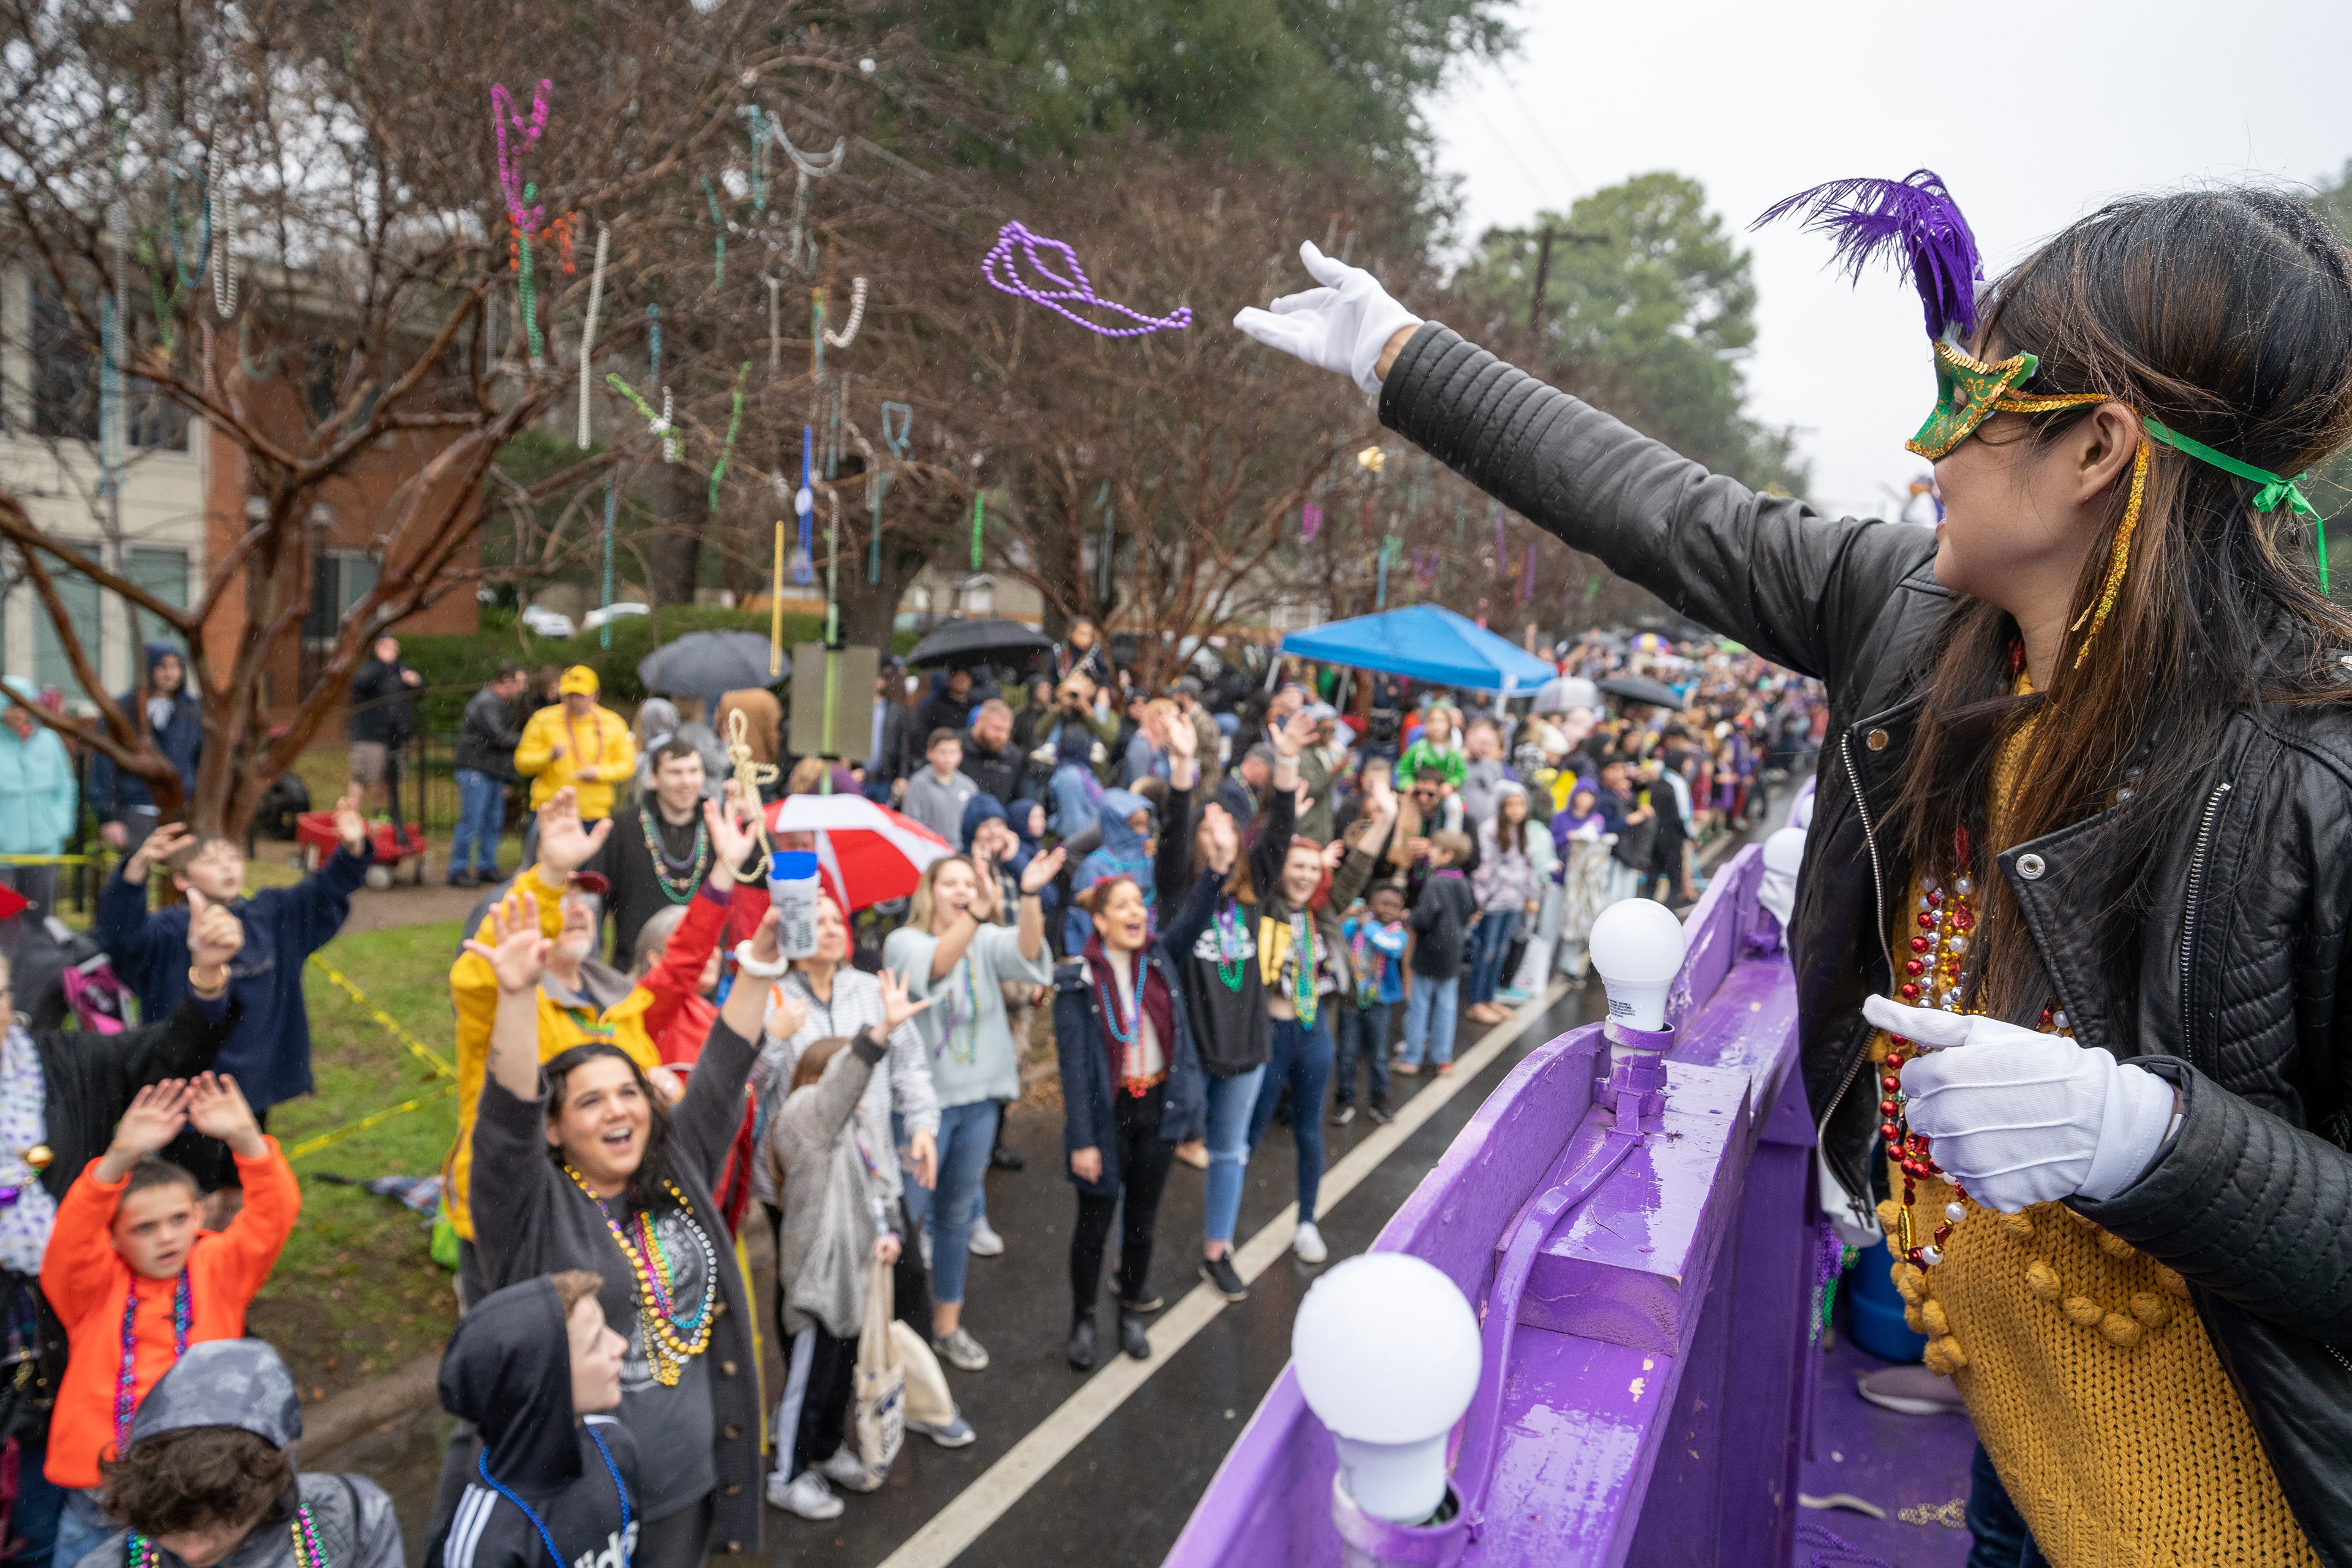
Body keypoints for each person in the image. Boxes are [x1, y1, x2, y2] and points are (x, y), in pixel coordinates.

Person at [1240, 190, 2352, 1564]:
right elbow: (1667, 511)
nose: (1925, 446)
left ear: (2093, 449)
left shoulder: (2314, 787)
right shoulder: (1918, 622)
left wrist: (2156, 1142)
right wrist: (1401, 354)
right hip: (2016, 1463)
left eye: (1967, 398)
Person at [462, 872, 780, 1566]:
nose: (618, 1111)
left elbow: (724, 1067)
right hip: (581, 1505)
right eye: (590, 1101)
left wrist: (757, 965)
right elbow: (506, 1120)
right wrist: (515, 997)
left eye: (629, 1092)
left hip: (688, 1481)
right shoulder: (529, 1210)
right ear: (553, 1129)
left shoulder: (676, 1165)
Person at [0, 905, 243, 1568]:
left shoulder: (58, 1063)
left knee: (44, 1520)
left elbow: (168, 1054)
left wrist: (207, 975)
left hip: (60, 1333)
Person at [444, 789, 733, 1282]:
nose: (580, 910)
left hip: (613, 1213)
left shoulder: (621, 1001)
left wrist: (724, 873)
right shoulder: (510, 1002)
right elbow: (478, 978)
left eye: (587, 899)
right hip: (525, 1221)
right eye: (565, 899)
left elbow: (683, 958)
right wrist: (551, 873)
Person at [41, 1071, 299, 1568]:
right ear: (113, 1236)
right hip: (103, 1499)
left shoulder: (219, 1269)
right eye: (144, 1227)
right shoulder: (91, 1287)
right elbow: (71, 1239)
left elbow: (273, 1214)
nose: (165, 1237)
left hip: (200, 1487)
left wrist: (246, 1139)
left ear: (200, 1215)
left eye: (178, 1219)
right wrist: (120, 1157)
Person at [753, 895, 964, 1442]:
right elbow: (744, 1089)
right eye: (816, 921)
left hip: (873, 1174)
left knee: (907, 1279)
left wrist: (922, 1126)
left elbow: (910, 1068)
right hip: (798, 1189)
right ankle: (804, 1413)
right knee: (807, 1301)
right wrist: (774, 1038)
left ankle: (916, 1398)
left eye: (836, 920)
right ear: (793, 933)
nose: (831, 929)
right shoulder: (771, 999)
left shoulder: (873, 991)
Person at [97, 795, 374, 1190]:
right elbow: (120, 938)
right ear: (182, 880)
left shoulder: (272, 916)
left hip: (253, 1080)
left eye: (232, 858)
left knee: (241, 1186)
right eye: (211, 862)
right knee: (193, 1193)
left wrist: (352, 846)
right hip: (187, 1087)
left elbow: (325, 892)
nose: (227, 867)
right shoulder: (167, 932)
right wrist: (136, 869)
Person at [881, 843, 1063, 1371]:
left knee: (955, 1217)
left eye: (969, 882)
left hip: (980, 1104)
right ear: (930, 893)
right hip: (922, 1114)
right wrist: (979, 913)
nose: (962, 891)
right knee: (902, 1223)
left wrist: (1029, 895)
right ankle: (890, 1337)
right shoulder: (904, 942)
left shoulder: (984, 938)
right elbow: (937, 965)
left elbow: (1028, 953)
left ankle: (947, 1327)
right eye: (951, 883)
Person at [1152, 707, 1308, 1301]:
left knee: (1229, 1154)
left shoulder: (1254, 886)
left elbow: (1282, 826)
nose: (1218, 822)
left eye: (1228, 818)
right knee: (1157, 1154)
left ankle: (1217, 1251)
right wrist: (1183, 762)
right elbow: (1174, 824)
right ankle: (1137, 1256)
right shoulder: (1179, 889)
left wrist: (1286, 760)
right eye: (1208, 818)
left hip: (1245, 1048)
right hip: (1188, 1052)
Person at [763, 973, 930, 1520]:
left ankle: (826, 1449)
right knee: (808, 1385)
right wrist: (881, 1030)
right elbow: (843, 1083)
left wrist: (888, 1235)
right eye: (849, 1080)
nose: (860, 1094)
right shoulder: (804, 1119)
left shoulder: (854, 1131)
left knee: (838, 1381)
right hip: (819, 1285)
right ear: (819, 1079)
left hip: (854, 1284)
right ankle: (787, 1475)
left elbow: (878, 1190)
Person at [1052, 865, 1212, 1371]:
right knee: (1094, 1225)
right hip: (1107, 1115)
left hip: (1157, 1108)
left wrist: (1216, 870)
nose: (1135, 912)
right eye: (1121, 906)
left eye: (1139, 904)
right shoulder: (1077, 980)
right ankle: (1083, 1318)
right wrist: (1083, 1141)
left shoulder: (1159, 959)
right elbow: (1075, 1072)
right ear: (1100, 922)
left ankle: (1129, 1311)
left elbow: (1196, 915)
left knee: (1142, 1223)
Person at [80, 1340, 401, 1568]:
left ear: (274, 1481)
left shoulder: (355, 1516)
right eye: (168, 1526)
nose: (194, 1552)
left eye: (220, 1524)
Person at [1245, 778, 1389, 1264]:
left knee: (1310, 1132)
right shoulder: (1261, 907)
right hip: (1269, 1036)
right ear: (1281, 869)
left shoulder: (1324, 913)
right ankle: (1224, 1229)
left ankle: (1307, 1222)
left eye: (1313, 867)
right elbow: (1254, 858)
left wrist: (1387, 818)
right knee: (1249, 1133)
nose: (1305, 875)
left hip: (1314, 1035)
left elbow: (1359, 866)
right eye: (1296, 865)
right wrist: (1279, 818)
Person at [428, 1272, 631, 1568]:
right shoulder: (487, 1545)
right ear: (539, 1382)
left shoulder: (615, 1446)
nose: (621, 1344)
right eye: (596, 1342)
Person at [594, 741, 718, 973]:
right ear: (653, 778)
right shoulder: (624, 827)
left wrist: (751, 818)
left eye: (694, 771)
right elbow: (596, 902)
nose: (686, 781)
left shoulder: (717, 827)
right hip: (635, 971)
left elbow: (762, 876)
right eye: (675, 772)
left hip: (702, 972)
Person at [90, 646, 201, 859]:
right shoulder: (123, 710)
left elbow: (203, 762)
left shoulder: (193, 711)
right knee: (136, 870)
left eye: (176, 667)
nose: (170, 674)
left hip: (181, 810)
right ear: (147, 668)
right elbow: (105, 766)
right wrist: (109, 817)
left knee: (179, 870)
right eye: (163, 667)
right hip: (136, 810)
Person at [1465, 783, 1550, 1025]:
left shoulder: (1522, 831)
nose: (1516, 810)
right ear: (1501, 806)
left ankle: (1490, 998)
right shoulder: (1489, 830)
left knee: (1501, 950)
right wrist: (1480, 902)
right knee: (1486, 951)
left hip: (1513, 903)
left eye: (1521, 804)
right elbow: (1484, 869)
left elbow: (1528, 865)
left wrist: (1531, 896)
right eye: (1511, 804)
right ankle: (1476, 1003)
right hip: (1493, 904)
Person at [514, 666, 636, 827]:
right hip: (551, 810)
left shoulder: (613, 723)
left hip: (593, 813)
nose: (573, 701)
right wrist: (549, 756)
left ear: (596, 694)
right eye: (568, 695)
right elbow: (521, 763)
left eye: (580, 695)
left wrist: (599, 773)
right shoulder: (543, 719)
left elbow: (627, 766)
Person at [0, 678, 75, 931]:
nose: (18, 712)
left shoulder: (49, 741)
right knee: (5, 928)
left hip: (45, 851)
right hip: (4, 855)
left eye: (23, 704)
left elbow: (66, 786)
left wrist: (60, 827)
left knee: (40, 924)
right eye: (11, 705)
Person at [1397, 831, 1474, 1077]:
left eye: (1435, 849)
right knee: (1446, 1007)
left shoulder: (1435, 881)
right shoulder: (1463, 881)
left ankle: (1411, 1058)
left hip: (1429, 951)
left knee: (1419, 1005)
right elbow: (1469, 911)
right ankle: (1444, 1059)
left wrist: (1408, 917)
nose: (1429, 852)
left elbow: (1424, 917)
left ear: (1447, 855)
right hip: (1452, 952)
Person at [1333, 881, 1408, 1127]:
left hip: (1380, 1002)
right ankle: (1344, 1100)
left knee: (1378, 1055)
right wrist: (1350, 914)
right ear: (1370, 905)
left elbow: (1390, 948)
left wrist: (1368, 925)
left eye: (1395, 906)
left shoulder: (1398, 934)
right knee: (1347, 1053)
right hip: (1352, 1000)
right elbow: (1335, 934)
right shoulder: (1355, 927)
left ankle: (1379, 1101)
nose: (1389, 909)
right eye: (1383, 904)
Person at [451, 662, 529, 888]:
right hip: (475, 768)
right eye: (520, 682)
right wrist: (532, 741)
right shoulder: (487, 702)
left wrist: (505, 777)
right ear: (507, 680)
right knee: (472, 821)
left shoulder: (503, 704)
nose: (523, 688)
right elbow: (500, 737)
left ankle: (486, 866)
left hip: (493, 772)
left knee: (493, 822)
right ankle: (458, 870)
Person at [347, 634, 423, 824]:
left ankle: (378, 815)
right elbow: (361, 683)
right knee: (362, 778)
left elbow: (420, 691)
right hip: (370, 736)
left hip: (396, 737)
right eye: (388, 647)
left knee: (391, 778)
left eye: (395, 648)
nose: (394, 651)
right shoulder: (369, 668)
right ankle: (351, 816)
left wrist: (418, 682)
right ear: (377, 648)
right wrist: (381, 663)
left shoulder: (400, 669)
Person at [902, 729, 977, 848]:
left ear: (960, 755)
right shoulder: (918, 783)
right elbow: (912, 822)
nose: (948, 757)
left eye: (953, 752)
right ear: (930, 753)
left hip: (962, 851)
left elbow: (975, 822)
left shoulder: (968, 786)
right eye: (942, 752)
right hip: (929, 849)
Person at [958, 699, 1025, 807]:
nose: (1002, 736)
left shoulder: (1013, 755)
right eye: (996, 728)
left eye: (1007, 731)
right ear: (979, 721)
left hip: (999, 815)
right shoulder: (956, 747)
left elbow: (1018, 800)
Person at [1393, 703, 1466, 793]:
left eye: (1441, 721)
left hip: (1443, 795)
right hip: (1420, 794)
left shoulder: (1453, 753)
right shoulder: (1417, 750)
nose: (1436, 726)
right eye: (1432, 721)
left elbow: (1460, 774)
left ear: (1449, 724)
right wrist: (1409, 784)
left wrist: (1451, 784)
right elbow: (1403, 771)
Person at [911, 667, 977, 741]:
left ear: (971, 681)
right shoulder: (935, 706)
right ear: (950, 680)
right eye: (958, 677)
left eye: (965, 677)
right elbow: (923, 733)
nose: (961, 681)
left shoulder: (976, 706)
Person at [1052, 619, 1112, 688]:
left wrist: (1103, 690)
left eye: (1090, 635)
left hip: (1090, 691)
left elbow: (1104, 676)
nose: (1086, 638)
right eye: (1082, 634)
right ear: (1071, 633)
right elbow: (1053, 678)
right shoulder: (1059, 650)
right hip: (1064, 690)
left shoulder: (1095, 651)